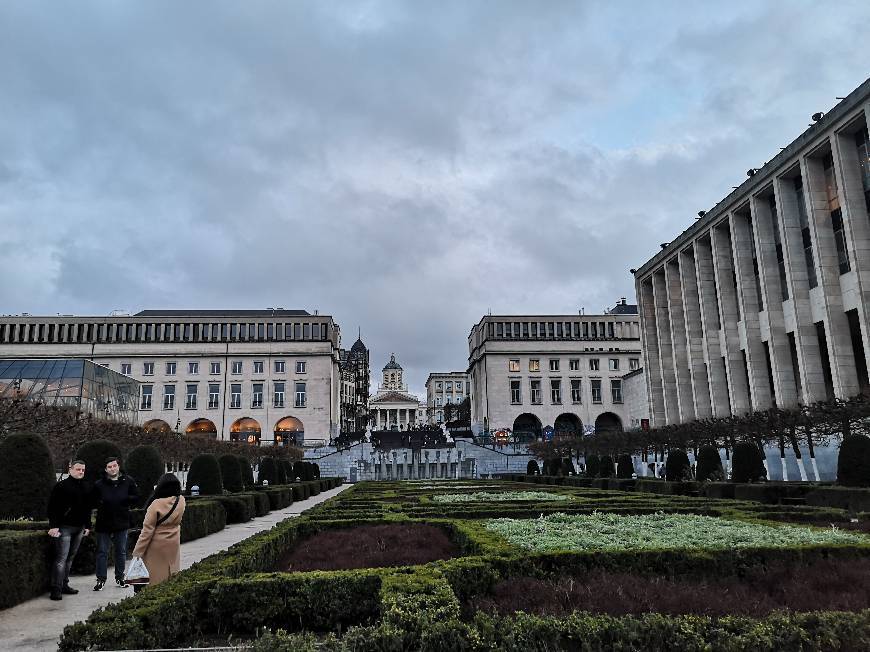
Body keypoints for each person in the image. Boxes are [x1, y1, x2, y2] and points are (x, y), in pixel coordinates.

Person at [46, 460, 94, 601]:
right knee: (61, 559)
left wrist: (88, 526)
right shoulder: (61, 486)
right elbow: (52, 507)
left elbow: (87, 508)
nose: (81, 472)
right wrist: (53, 526)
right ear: (70, 469)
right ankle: (56, 589)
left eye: (83, 470)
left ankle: (64, 585)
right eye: (78, 469)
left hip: (79, 528)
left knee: (70, 558)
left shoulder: (86, 486)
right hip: (64, 528)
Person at [131, 473, 185, 590]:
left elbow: (147, 532)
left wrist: (137, 552)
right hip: (173, 541)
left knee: (156, 576)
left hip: (156, 545)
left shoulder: (155, 504)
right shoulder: (181, 500)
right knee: (171, 570)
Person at [93, 457, 139, 591]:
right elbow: (93, 500)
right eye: (109, 467)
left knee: (121, 551)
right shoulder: (99, 484)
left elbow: (136, 496)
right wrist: (102, 503)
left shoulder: (128, 481)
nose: (112, 469)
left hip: (121, 521)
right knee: (102, 552)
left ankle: (120, 577)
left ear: (118, 466)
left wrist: (125, 500)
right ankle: (101, 579)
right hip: (104, 522)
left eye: (114, 466)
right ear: (106, 469)